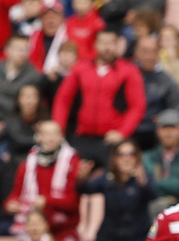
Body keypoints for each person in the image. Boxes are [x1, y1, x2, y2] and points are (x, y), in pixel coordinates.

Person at [53, 28, 145, 163]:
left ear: (117, 45)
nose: (107, 47)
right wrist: (58, 129)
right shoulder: (80, 69)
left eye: (111, 43)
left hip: (111, 139)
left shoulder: (129, 71)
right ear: (95, 44)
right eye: (103, 42)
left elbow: (137, 107)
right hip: (82, 136)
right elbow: (63, 100)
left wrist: (122, 132)